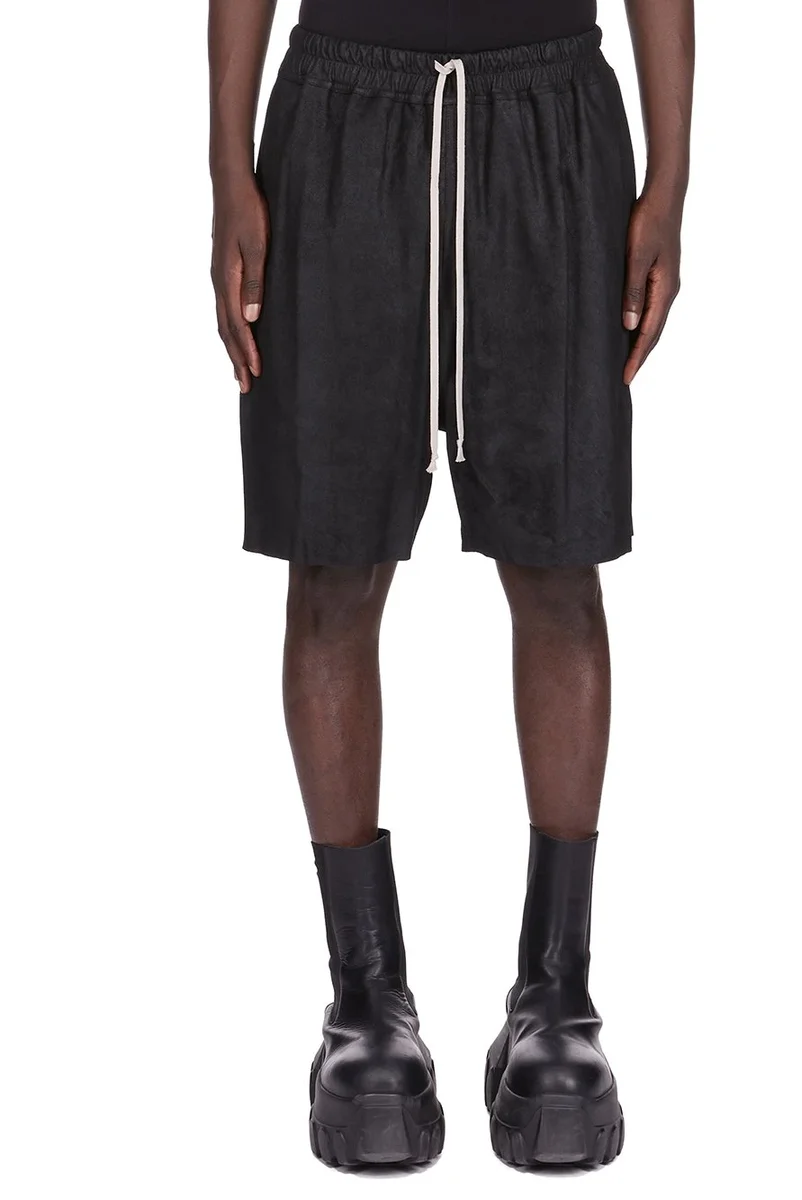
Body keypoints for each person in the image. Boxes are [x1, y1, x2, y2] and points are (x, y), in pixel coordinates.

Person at [208, 0, 693, 1170]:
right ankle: (365, 1001)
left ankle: (557, 996)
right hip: (340, 112)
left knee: (559, 558)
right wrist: (228, 168)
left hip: (549, 115)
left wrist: (670, 181)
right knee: (332, 565)